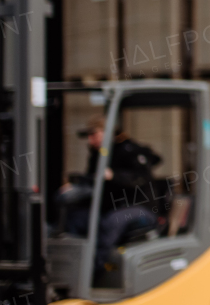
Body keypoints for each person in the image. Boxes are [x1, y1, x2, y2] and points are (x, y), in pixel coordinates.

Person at [58, 115, 162, 272]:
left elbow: (139, 178)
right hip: (112, 207)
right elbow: (93, 181)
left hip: (140, 208)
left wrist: (114, 175)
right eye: (89, 136)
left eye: (94, 134)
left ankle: (95, 270)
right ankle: (72, 268)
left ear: (107, 133)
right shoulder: (98, 154)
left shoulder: (130, 150)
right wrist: (75, 185)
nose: (90, 140)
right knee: (76, 218)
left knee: (112, 222)